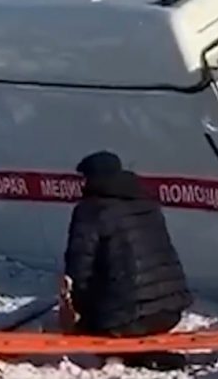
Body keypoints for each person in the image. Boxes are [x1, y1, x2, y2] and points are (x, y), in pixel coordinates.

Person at [65, 151, 192, 370]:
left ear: (93, 178)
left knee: (87, 326)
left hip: (128, 319)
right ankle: (142, 350)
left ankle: (132, 355)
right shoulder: (147, 202)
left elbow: (79, 269)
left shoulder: (91, 210)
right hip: (170, 312)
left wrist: (80, 311)